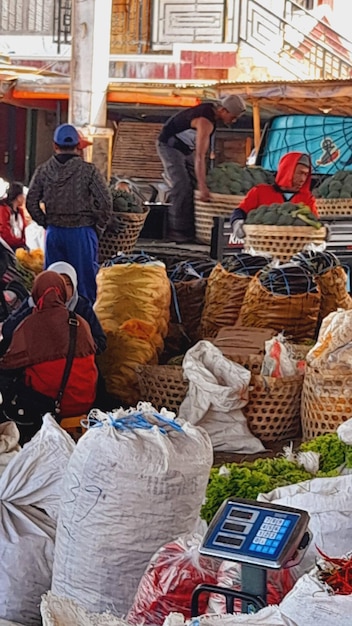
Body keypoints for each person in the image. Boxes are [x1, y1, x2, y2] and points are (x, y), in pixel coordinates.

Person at [0, 271, 98, 439]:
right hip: (85, 401)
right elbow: (95, 349)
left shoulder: (30, 325)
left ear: (35, 293)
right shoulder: (80, 322)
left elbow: (9, 363)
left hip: (48, 405)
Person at [26, 123, 113, 305]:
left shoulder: (43, 171)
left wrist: (46, 223)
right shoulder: (88, 171)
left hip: (54, 233)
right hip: (82, 232)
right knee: (85, 287)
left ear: (54, 145)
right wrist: (97, 228)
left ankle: (54, 327)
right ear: (78, 147)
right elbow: (105, 202)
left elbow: (31, 202)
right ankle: (84, 327)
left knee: (53, 286)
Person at [157, 95, 246, 243]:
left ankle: (191, 228)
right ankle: (176, 231)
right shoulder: (205, 120)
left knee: (194, 185)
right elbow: (199, 156)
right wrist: (203, 186)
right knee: (182, 184)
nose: (234, 120)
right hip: (169, 145)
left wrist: (201, 183)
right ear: (223, 110)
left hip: (186, 149)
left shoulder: (214, 116)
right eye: (233, 116)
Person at [0, 261, 106, 356]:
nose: (62, 290)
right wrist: (33, 310)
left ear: (74, 286)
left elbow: (100, 342)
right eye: (57, 285)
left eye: (68, 285)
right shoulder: (32, 303)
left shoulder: (80, 307)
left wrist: (73, 343)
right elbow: (8, 331)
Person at [230, 152, 318, 239]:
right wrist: (237, 223)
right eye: (300, 173)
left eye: (306, 174)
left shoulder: (307, 199)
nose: (303, 179)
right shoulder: (260, 192)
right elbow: (240, 212)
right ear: (287, 170)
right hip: (261, 247)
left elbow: (315, 222)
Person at [0, 182, 27, 251]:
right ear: (18, 197)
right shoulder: (3, 210)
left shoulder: (20, 211)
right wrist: (17, 243)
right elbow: (4, 231)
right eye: (23, 195)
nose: (24, 197)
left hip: (19, 246)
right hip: (6, 249)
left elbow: (23, 230)